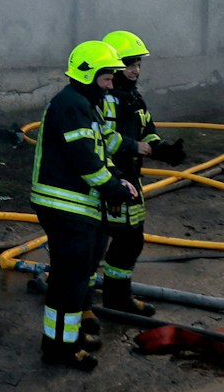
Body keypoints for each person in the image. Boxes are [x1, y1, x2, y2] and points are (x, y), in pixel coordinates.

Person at [30, 41, 138, 371]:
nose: (110, 87)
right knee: (69, 282)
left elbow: (100, 153)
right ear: (88, 75)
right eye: (106, 80)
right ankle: (60, 349)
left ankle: (67, 338)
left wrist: (118, 177)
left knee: (74, 279)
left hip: (75, 208)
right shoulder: (71, 105)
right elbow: (83, 158)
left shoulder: (83, 105)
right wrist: (110, 187)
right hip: (65, 207)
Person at [94, 30, 166, 315]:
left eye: (138, 63)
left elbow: (147, 129)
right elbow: (104, 139)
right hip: (108, 179)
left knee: (131, 239)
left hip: (130, 178)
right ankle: (83, 303)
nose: (135, 69)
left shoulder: (133, 97)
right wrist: (137, 150)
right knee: (96, 244)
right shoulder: (104, 98)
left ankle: (117, 296)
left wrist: (160, 148)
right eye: (129, 63)